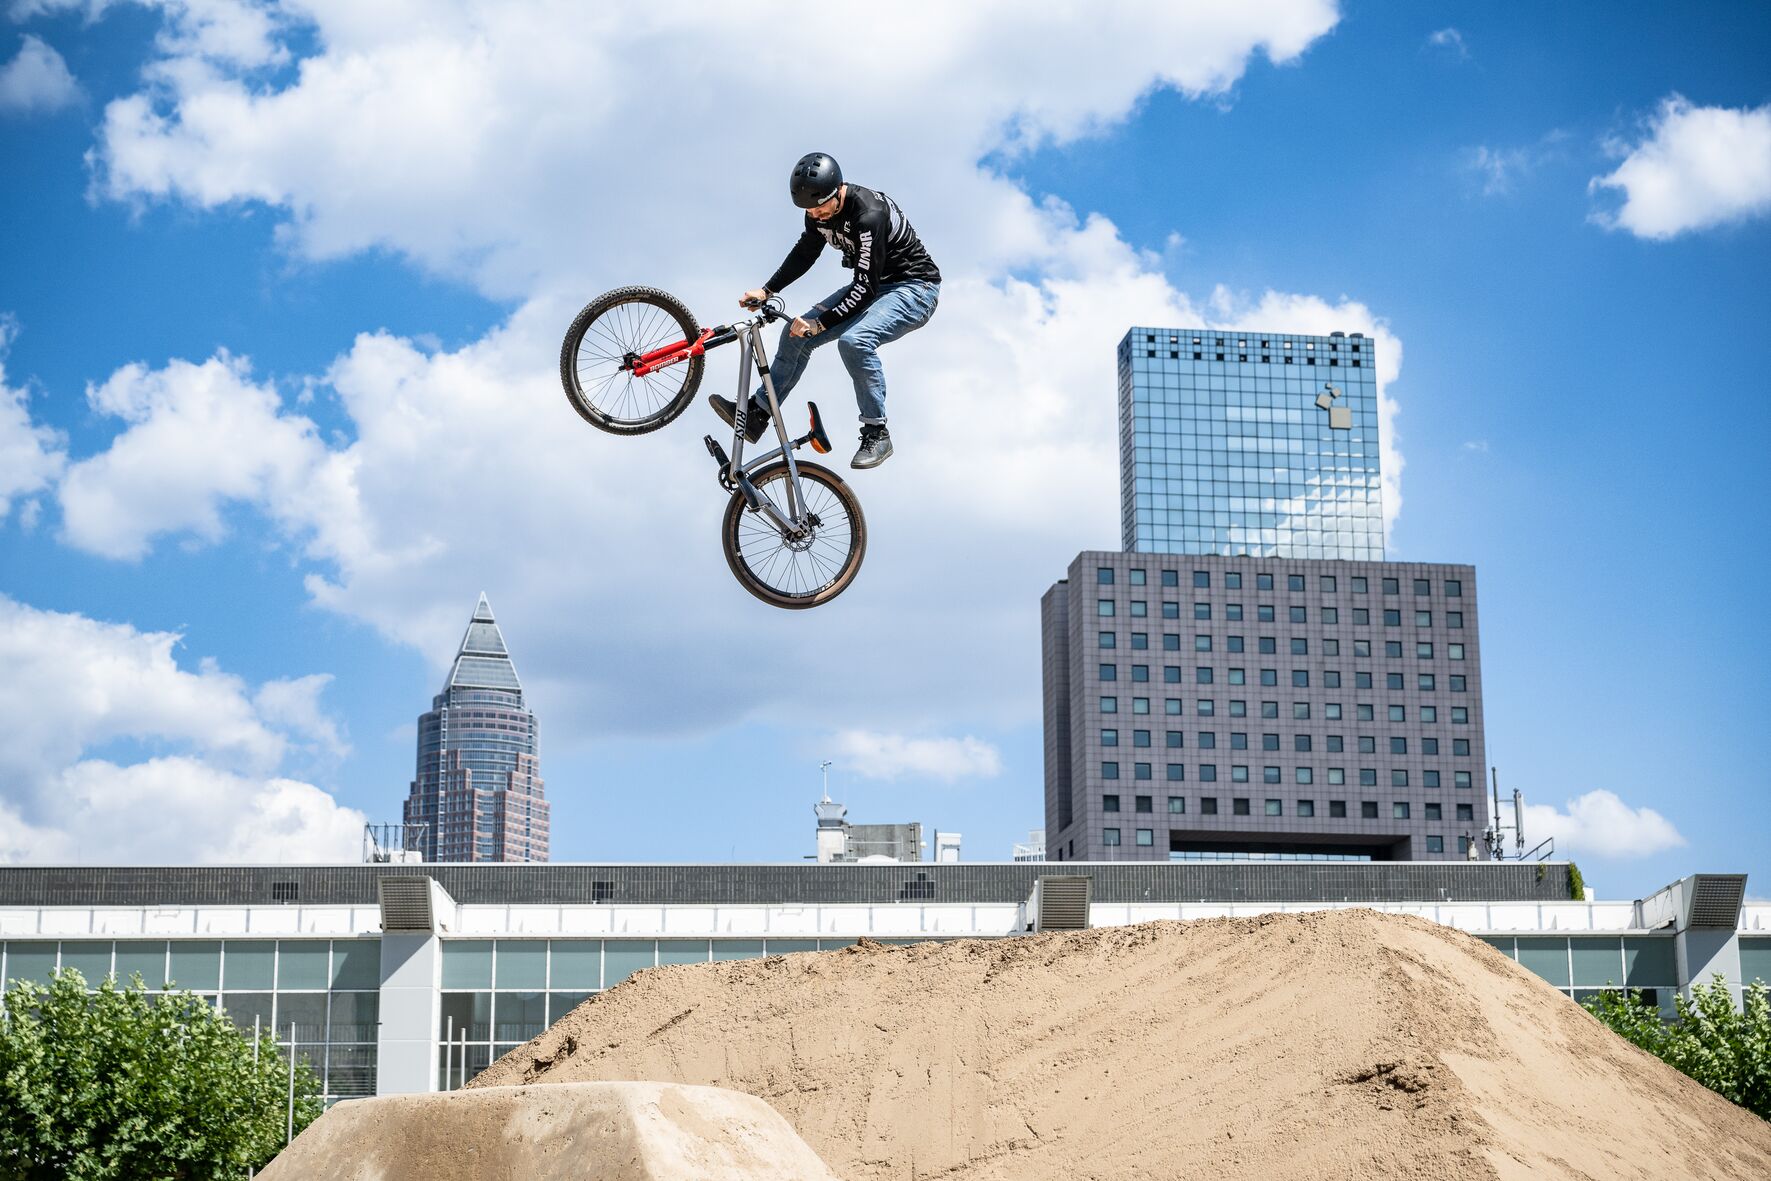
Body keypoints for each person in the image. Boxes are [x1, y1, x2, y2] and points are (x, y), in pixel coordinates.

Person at [710, 152, 941, 469]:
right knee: (794, 334)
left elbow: (864, 288)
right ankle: (758, 414)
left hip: (914, 289)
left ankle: (877, 431)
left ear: (838, 190)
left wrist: (819, 325)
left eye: (821, 207)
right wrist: (768, 289)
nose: (816, 214)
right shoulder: (815, 211)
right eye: (809, 210)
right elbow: (805, 251)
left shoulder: (868, 215)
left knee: (855, 342)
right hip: (873, 287)